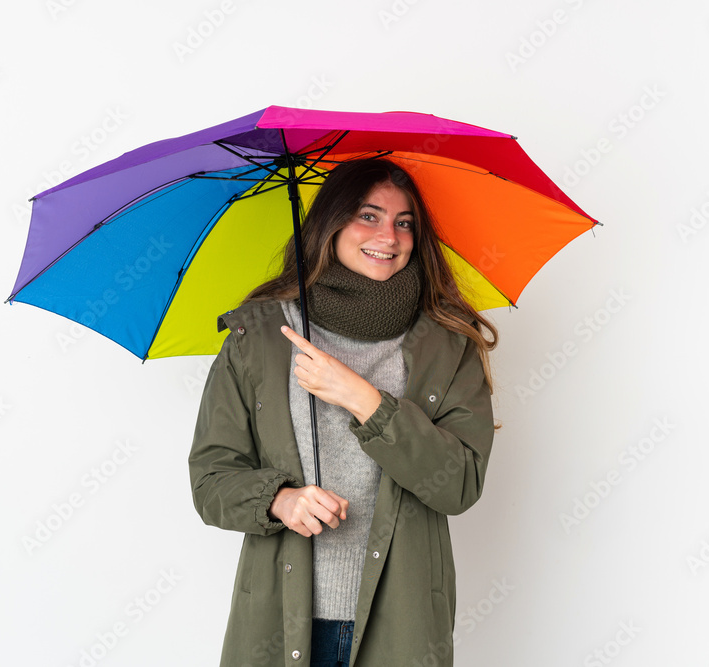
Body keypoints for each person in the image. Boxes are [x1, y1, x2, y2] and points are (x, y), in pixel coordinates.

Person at [189, 158, 497, 667]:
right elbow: (210, 480)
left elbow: (459, 484)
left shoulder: (448, 344)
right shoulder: (258, 336)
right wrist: (280, 500)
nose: (389, 237)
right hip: (278, 620)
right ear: (331, 224)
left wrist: (362, 398)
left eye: (404, 222)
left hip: (402, 625)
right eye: (368, 216)